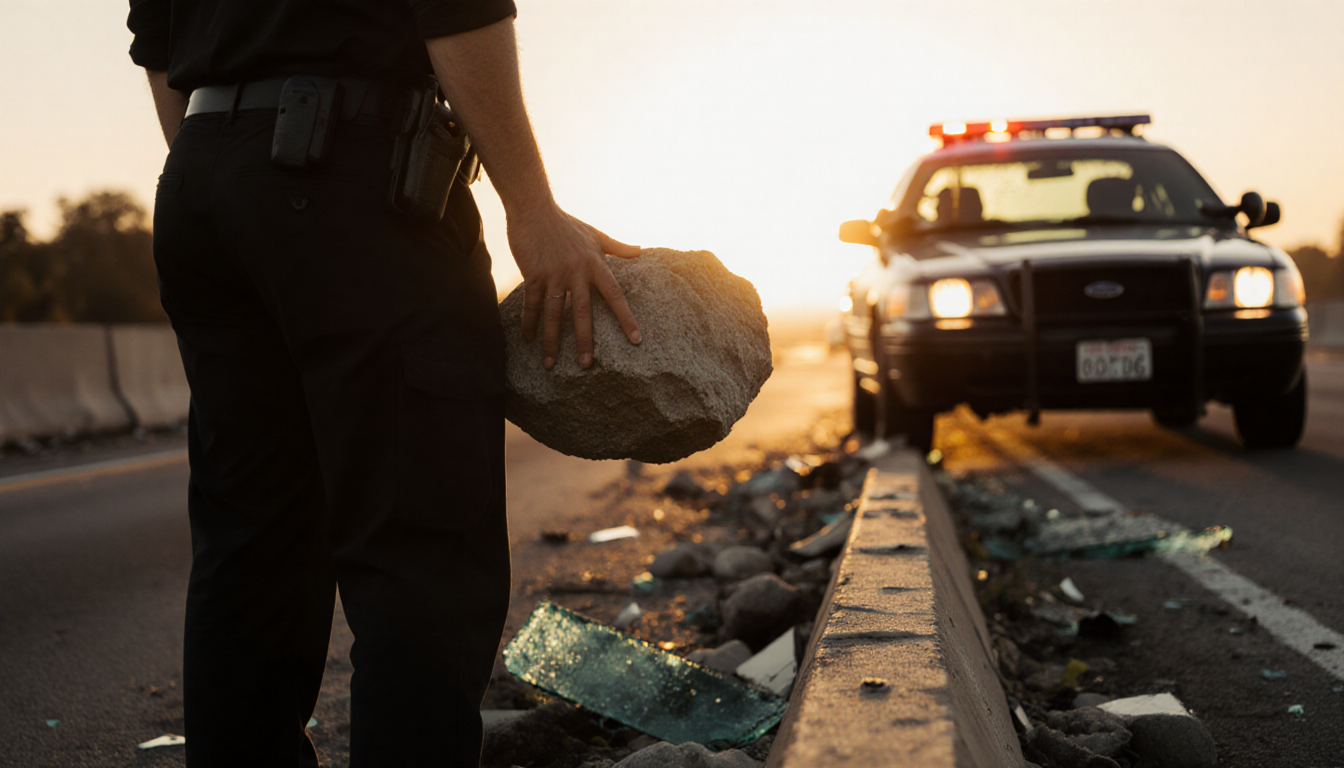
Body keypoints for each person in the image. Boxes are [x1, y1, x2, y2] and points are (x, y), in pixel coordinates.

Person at [126, 2, 642, 765]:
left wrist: (236, 174)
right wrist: (531, 207)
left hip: (203, 180)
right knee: (421, 550)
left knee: (250, 548)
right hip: (355, 179)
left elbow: (158, 37)